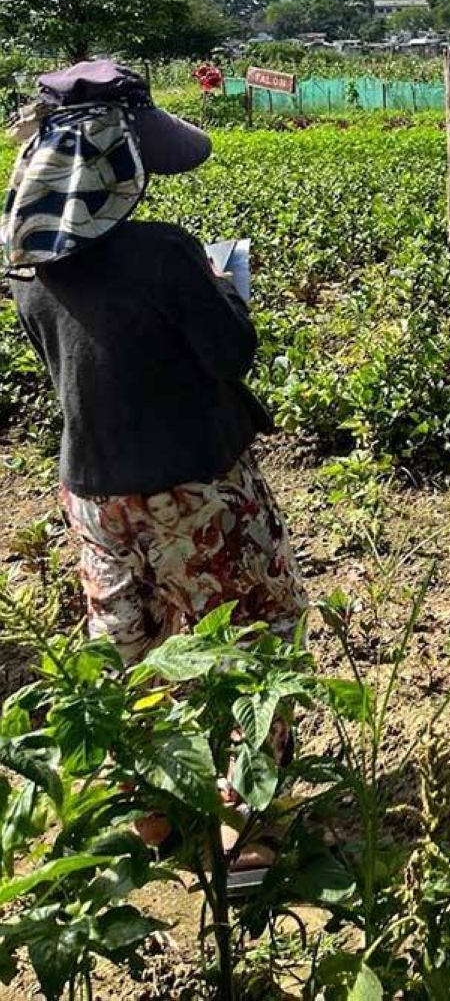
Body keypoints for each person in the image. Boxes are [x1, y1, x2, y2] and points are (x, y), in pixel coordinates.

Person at [2, 61, 306, 881]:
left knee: (130, 648)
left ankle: (153, 817)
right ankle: (251, 831)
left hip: (92, 493)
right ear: (114, 162)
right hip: (195, 486)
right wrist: (222, 291)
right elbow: (230, 355)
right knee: (256, 640)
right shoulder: (166, 255)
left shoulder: (27, 269)